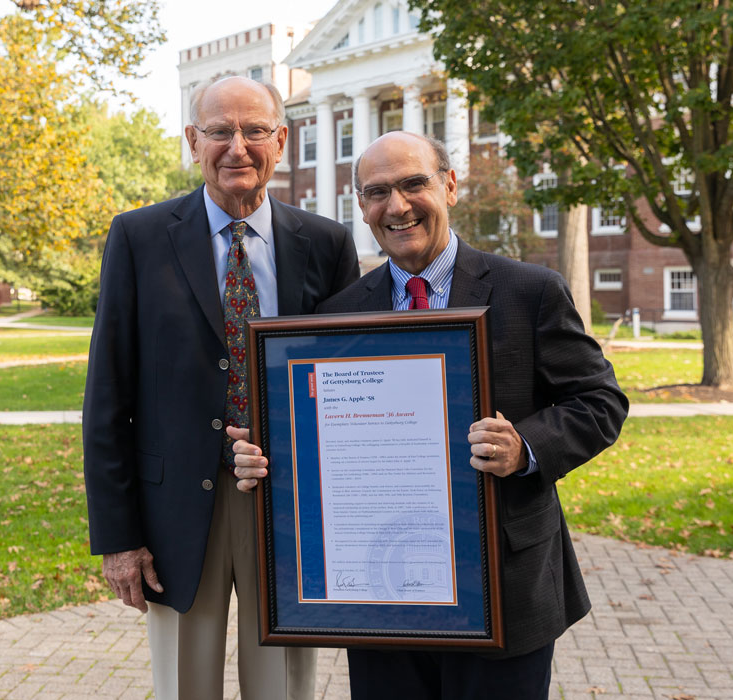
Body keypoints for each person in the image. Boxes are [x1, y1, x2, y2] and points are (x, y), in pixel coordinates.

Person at [229, 131, 628, 700]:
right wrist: (264, 454)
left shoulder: (528, 291)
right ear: (361, 207)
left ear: (450, 185)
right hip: (376, 596)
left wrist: (525, 447)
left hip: (501, 586)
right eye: (377, 192)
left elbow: (601, 403)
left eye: (414, 183)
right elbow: (311, 429)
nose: (397, 206)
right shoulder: (338, 314)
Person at [83, 76, 360, 700]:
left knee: (285, 682)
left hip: (289, 504)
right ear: (192, 141)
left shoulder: (326, 243)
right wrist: (118, 537)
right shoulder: (138, 238)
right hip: (174, 506)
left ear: (281, 142)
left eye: (255, 130)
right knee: (186, 681)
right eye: (219, 131)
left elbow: (346, 380)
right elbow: (108, 397)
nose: (238, 146)